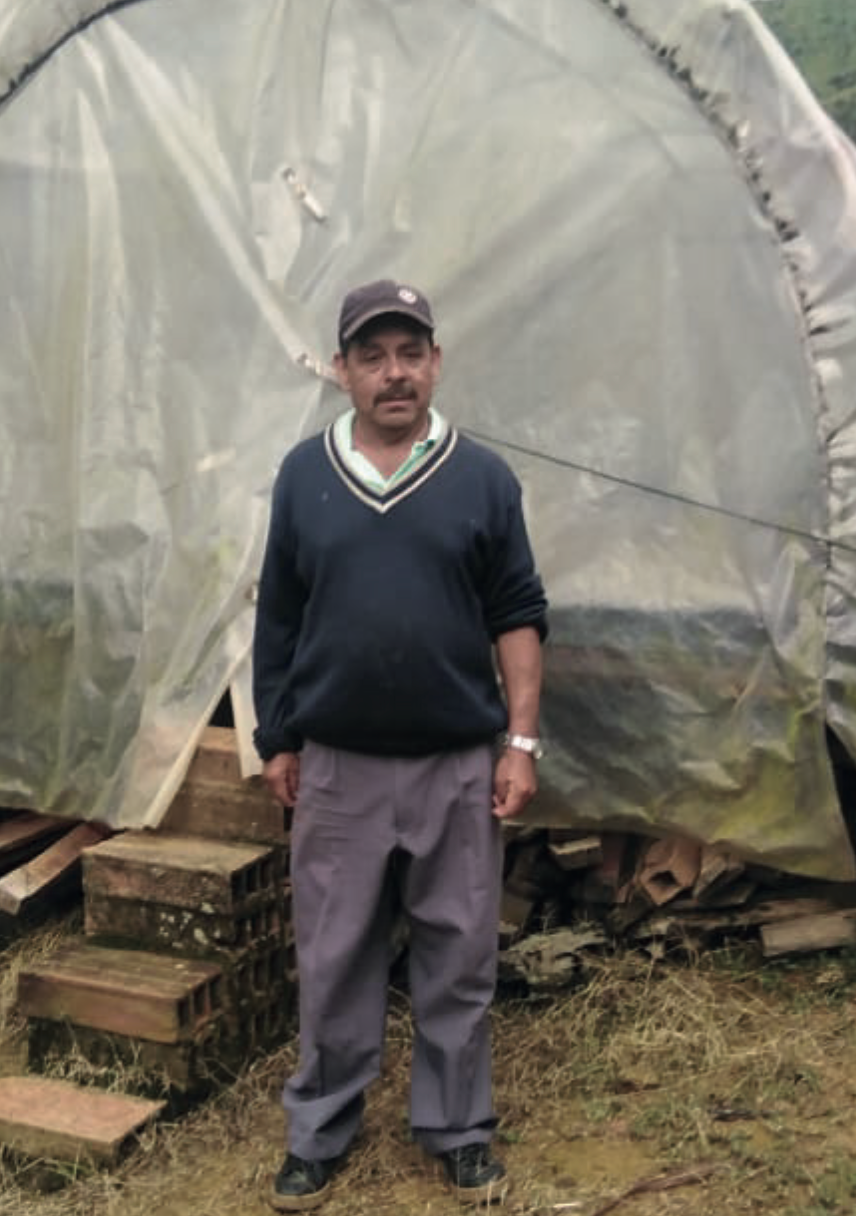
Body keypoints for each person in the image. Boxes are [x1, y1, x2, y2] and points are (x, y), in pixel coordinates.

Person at [253, 279, 548, 1211]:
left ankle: (458, 1129)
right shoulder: (305, 474)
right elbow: (282, 614)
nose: (394, 374)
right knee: (334, 954)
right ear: (341, 371)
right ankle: (320, 1129)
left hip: (456, 765)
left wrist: (522, 742)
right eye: (372, 356)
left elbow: (518, 615)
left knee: (458, 953)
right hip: (338, 768)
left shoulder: (483, 479)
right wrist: (278, 734)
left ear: (435, 361)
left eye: (409, 353)